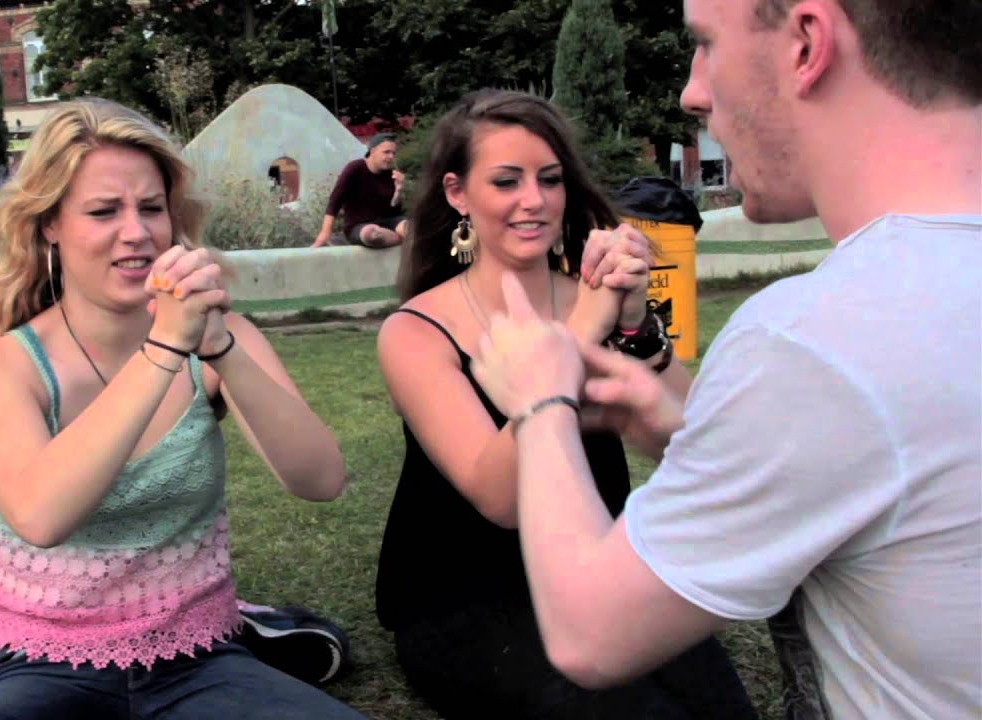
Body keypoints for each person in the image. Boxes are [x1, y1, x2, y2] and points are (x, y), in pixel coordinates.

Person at [469, 1, 981, 718]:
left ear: (806, 44)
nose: (692, 91)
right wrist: (687, 432)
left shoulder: (815, 337)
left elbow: (592, 635)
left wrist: (539, 400)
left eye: (707, 44)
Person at [0, 99, 367, 719]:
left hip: (199, 658)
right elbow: (41, 516)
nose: (137, 232)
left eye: (151, 208)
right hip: (42, 664)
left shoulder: (222, 339)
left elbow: (321, 480)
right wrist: (164, 348)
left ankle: (255, 630)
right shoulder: (2, 367)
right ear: (49, 224)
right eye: (103, 211)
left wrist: (220, 348)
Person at [373, 89, 756, 719]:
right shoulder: (416, 331)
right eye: (506, 181)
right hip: (467, 596)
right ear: (458, 193)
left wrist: (633, 323)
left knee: (723, 710)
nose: (535, 200)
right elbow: (499, 501)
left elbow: (694, 437)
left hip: (602, 566)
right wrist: (582, 330)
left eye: (550, 179)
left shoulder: (595, 297)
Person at [312, 133, 407, 248]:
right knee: (373, 234)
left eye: (393, 153)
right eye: (386, 152)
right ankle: (400, 239)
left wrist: (399, 190)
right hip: (359, 225)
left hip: (389, 221)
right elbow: (335, 201)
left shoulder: (391, 174)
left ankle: (400, 238)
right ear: (373, 151)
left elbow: (394, 209)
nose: (391, 157)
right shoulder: (355, 168)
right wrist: (325, 231)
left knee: (410, 228)